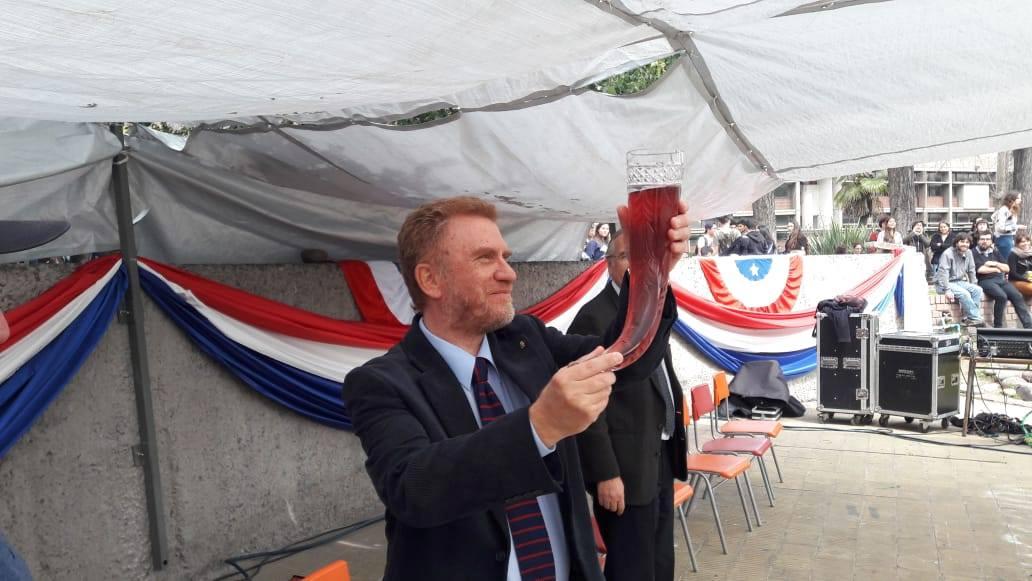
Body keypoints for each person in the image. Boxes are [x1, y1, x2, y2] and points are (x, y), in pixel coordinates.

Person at [342, 196, 692, 581]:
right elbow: (413, 487)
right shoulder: (382, 382)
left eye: (505, 257)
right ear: (430, 279)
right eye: (484, 258)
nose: (508, 273)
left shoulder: (524, 339)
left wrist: (651, 273)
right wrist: (537, 428)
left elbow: (621, 361)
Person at [568, 230, 687, 581]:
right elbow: (588, 407)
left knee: (660, 560)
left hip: (660, 454)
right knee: (631, 567)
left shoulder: (648, 308)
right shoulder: (595, 317)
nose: (637, 265)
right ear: (607, 265)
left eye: (642, 257)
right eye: (626, 257)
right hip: (623, 468)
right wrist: (605, 473)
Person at [971, 232, 1032, 329]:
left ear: (991, 241)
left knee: (1017, 296)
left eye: (987, 239)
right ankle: (998, 327)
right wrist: (998, 269)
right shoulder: (973, 253)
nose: (985, 241)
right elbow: (980, 270)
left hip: (1000, 279)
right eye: (982, 239)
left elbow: (1007, 268)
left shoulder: (995, 251)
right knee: (1001, 296)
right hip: (985, 281)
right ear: (978, 241)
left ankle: (1029, 326)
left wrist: (993, 264)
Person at [935, 233, 985, 327]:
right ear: (956, 242)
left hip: (959, 281)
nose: (965, 244)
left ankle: (969, 318)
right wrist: (947, 290)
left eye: (967, 242)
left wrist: (974, 284)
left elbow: (971, 270)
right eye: (962, 242)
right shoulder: (948, 254)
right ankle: (976, 318)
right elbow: (943, 273)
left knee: (977, 290)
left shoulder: (969, 253)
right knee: (964, 293)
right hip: (944, 283)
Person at [992, 191, 1022, 259]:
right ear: (1012, 199)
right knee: (1006, 259)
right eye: (1019, 198)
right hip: (1003, 239)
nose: (1020, 200)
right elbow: (1000, 227)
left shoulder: (1011, 209)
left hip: (1010, 237)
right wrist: (1015, 227)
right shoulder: (1003, 210)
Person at [1007, 233, 1032, 299]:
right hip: (1015, 281)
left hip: (1029, 280)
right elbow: (1012, 273)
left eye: (1027, 241)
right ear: (1017, 243)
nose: (1026, 243)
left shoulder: (1030, 254)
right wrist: (1026, 279)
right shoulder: (1013, 254)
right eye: (1023, 242)